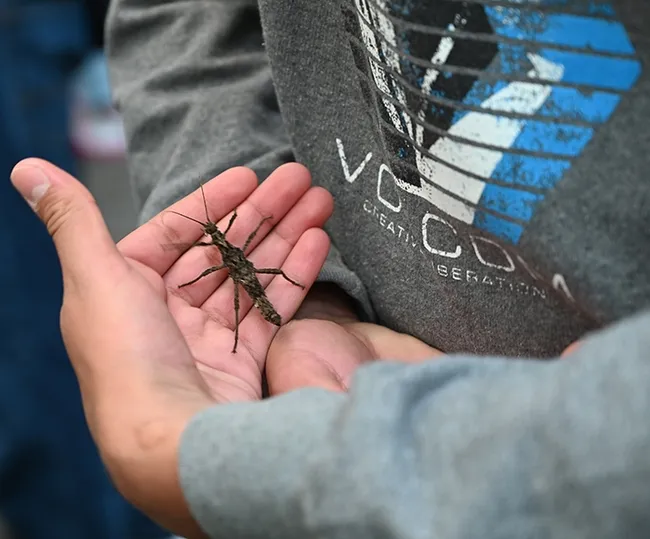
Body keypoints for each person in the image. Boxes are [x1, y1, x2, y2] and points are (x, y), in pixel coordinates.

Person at [10, 0, 650, 536]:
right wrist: (314, 299)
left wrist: (176, 457)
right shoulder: (240, 259)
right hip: (319, 362)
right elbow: (186, 19)